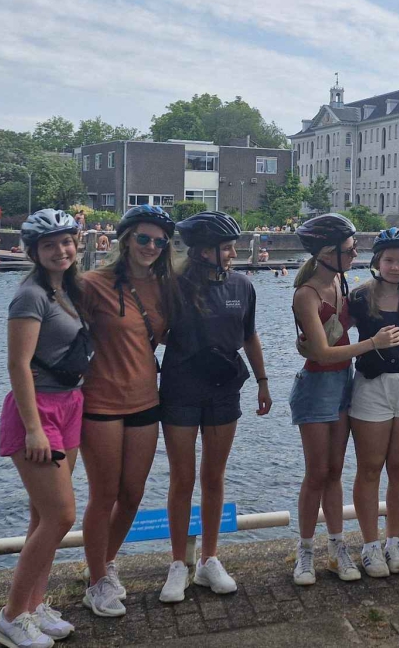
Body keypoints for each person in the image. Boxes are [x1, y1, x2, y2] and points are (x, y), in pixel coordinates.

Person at [158, 211, 271, 604]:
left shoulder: (242, 285)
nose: (233, 254)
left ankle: (209, 558)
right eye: (226, 248)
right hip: (181, 388)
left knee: (214, 476)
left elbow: (250, 335)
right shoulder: (172, 285)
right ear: (204, 251)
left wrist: (262, 381)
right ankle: (178, 563)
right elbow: (154, 334)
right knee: (182, 478)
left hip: (224, 389)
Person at [0, 209, 88, 648]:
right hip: (38, 412)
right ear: (33, 252)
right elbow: (18, 364)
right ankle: (11, 617)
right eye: (49, 245)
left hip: (70, 405)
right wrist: (33, 429)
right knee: (61, 516)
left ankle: (33, 605)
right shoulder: (30, 296)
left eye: (66, 241)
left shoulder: (68, 289)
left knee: (42, 517)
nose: (60, 250)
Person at [76, 205, 177, 618]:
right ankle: (97, 582)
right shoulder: (92, 284)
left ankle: (104, 563)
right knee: (103, 495)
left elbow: (172, 335)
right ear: (126, 240)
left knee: (132, 494)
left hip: (145, 400)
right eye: (143, 238)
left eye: (159, 241)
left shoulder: (165, 287)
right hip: (100, 401)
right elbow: (60, 332)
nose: (151, 247)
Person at [289, 214, 381, 584]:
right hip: (317, 386)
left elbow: (340, 330)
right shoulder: (306, 295)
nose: (355, 254)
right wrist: (373, 343)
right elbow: (323, 353)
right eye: (349, 250)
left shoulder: (341, 284)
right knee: (316, 472)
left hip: (343, 383)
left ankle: (337, 545)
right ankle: (305, 550)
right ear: (327, 253)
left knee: (335, 470)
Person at [347, 228, 399, 581]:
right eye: (389, 260)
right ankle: (369, 544)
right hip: (371, 385)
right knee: (369, 468)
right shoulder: (360, 297)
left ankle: (394, 540)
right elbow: (333, 332)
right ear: (377, 260)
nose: (395, 267)